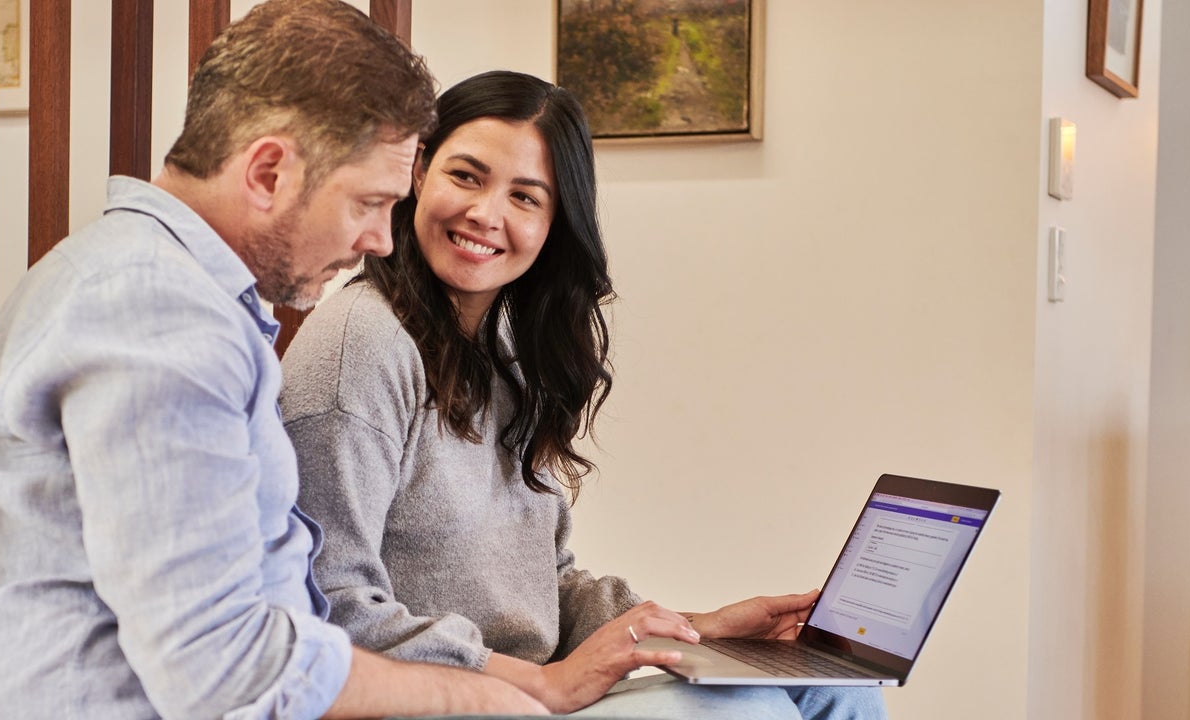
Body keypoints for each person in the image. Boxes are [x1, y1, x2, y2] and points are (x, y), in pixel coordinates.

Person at [0, 3, 549, 718]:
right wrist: (465, 696)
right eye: (369, 202)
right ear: (268, 172)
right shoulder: (157, 314)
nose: (382, 238)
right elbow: (218, 661)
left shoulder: (150, 292)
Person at [280, 70, 889, 719]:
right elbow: (327, 604)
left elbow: (542, 586)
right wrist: (539, 684)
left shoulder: (504, 352)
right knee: (748, 712)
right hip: (438, 701)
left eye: (525, 196)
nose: (485, 214)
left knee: (836, 689)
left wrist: (694, 629)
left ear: (555, 223)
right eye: (466, 176)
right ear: (418, 173)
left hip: (526, 688)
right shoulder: (362, 342)